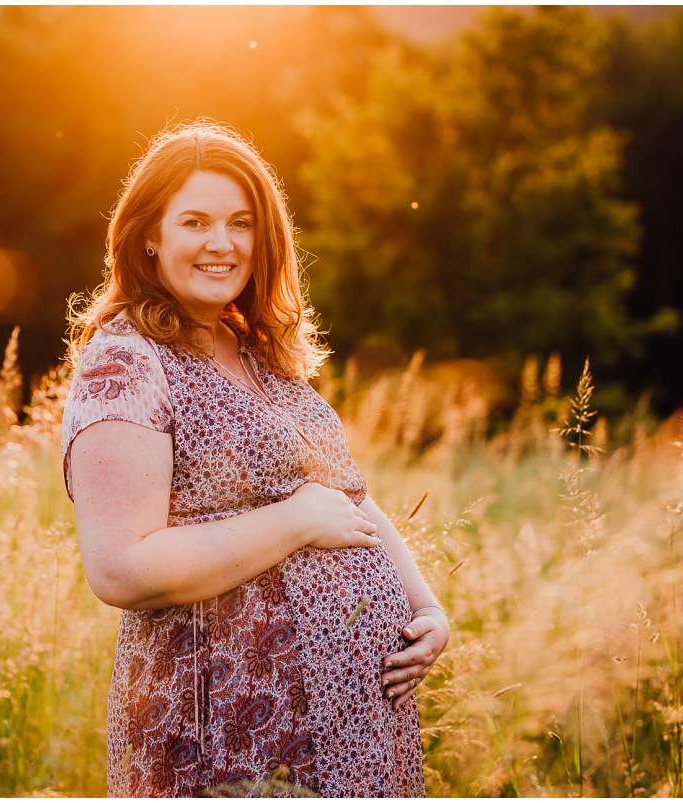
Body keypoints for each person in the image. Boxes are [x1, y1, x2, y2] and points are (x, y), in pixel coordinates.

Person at [60, 120, 449, 796]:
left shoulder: (255, 348)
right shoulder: (127, 361)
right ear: (149, 235)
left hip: (350, 725)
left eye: (240, 223)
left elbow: (342, 496)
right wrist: (294, 523)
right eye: (196, 221)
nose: (222, 243)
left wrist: (425, 607)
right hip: (223, 735)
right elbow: (121, 567)